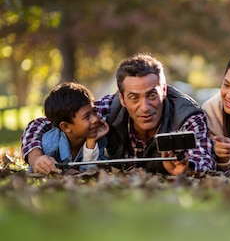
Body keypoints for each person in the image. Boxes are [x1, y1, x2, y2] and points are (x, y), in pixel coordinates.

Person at [21, 53, 216, 175]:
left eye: (152, 95)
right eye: (134, 98)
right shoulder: (107, 109)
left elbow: (204, 160)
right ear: (121, 98)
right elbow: (39, 125)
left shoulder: (187, 116)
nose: (145, 107)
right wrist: (36, 157)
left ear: (164, 90)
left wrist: (186, 169)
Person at [31, 82, 109, 173]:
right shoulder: (50, 144)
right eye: (87, 116)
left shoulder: (98, 137)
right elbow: (43, 172)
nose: (95, 119)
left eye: (94, 112)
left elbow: (89, 171)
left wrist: (91, 142)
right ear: (66, 126)